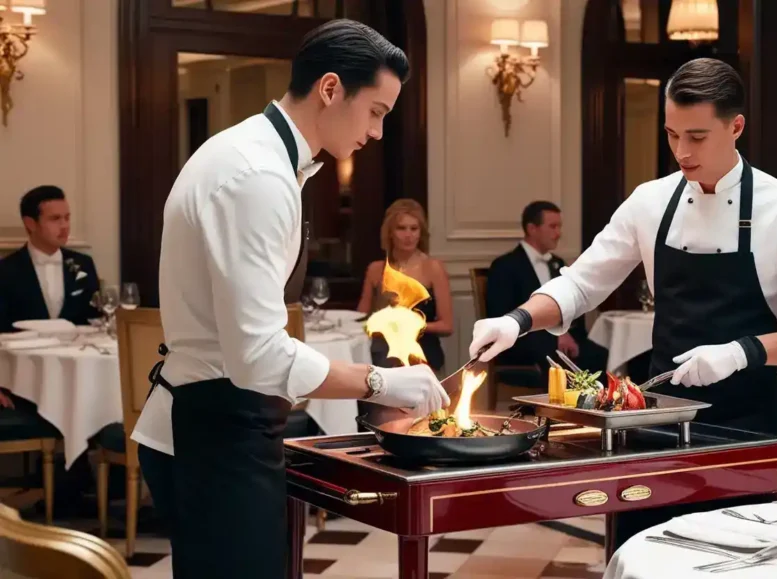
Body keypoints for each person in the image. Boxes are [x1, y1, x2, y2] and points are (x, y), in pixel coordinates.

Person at [468, 57, 777, 551]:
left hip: (747, 427)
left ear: (736, 126)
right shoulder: (650, 201)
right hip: (657, 421)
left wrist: (739, 353)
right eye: (672, 135)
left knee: (738, 562)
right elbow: (583, 283)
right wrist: (516, 320)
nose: (681, 152)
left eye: (696, 137)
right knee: (643, 554)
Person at [131, 20, 449, 579]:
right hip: (215, 429)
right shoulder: (256, 174)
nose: (377, 133)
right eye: (376, 111)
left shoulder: (256, 154)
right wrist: (381, 381)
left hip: (219, 418)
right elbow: (258, 356)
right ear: (330, 89)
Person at [485, 201, 607, 386]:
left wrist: (568, 332)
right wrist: (555, 336)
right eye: (552, 226)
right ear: (532, 228)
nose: (558, 233)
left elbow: (574, 309)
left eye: (559, 227)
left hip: (561, 337)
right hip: (523, 341)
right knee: (552, 352)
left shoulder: (558, 263)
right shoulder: (505, 266)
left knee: (598, 353)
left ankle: (592, 409)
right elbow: (500, 313)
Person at [357, 198, 452, 372]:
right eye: (401, 228)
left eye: (414, 229)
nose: (408, 235)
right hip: (381, 355)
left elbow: (447, 326)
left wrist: (411, 324)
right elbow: (361, 319)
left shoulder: (433, 268)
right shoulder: (376, 269)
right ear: (390, 232)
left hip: (423, 355)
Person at [0, 185, 101, 332]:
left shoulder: (84, 264)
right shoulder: (5, 270)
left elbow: (95, 317)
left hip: (77, 352)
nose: (64, 226)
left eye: (67, 218)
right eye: (55, 219)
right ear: (30, 223)